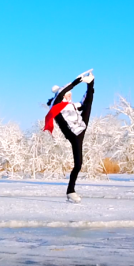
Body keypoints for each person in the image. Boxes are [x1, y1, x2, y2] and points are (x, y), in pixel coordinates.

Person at [44, 70, 95, 203]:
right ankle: (70, 191)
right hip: (73, 133)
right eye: (67, 95)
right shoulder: (57, 106)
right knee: (78, 165)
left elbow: (85, 101)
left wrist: (90, 84)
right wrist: (76, 82)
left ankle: (90, 83)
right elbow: (60, 94)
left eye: (70, 95)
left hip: (81, 126)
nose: (69, 97)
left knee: (88, 105)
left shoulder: (73, 106)